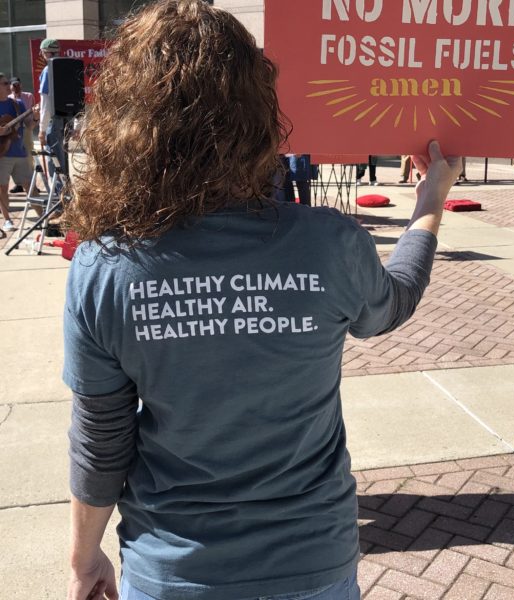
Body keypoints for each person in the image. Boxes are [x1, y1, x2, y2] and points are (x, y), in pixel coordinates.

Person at [62, 2, 461, 599]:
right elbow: (394, 302)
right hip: (312, 564)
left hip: (174, 570)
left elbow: (102, 439)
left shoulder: (104, 267)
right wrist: (430, 203)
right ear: (258, 109)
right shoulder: (327, 243)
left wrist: (84, 556)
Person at [0, 72, 35, 232]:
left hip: (19, 152)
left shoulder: (18, 104)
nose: (9, 86)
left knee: (30, 185)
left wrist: (35, 117)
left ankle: (43, 218)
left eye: (8, 83)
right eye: (5, 83)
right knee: (3, 188)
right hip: (2, 153)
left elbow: (29, 125)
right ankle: (7, 220)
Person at [38, 38, 68, 177]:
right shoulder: (68, 67)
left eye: (42, 53)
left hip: (53, 122)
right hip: (67, 121)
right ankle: (66, 194)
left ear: (47, 53)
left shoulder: (47, 70)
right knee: (64, 162)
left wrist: (42, 130)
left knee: (55, 164)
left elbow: (45, 103)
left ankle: (59, 196)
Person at [9, 76, 36, 192]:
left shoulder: (29, 96)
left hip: (26, 129)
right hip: (13, 133)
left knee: (29, 156)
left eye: (18, 85)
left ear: (21, 85)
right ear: (10, 87)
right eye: (14, 85)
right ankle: (19, 184)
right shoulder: (8, 99)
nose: (16, 87)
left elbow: (33, 110)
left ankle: (32, 184)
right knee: (15, 157)